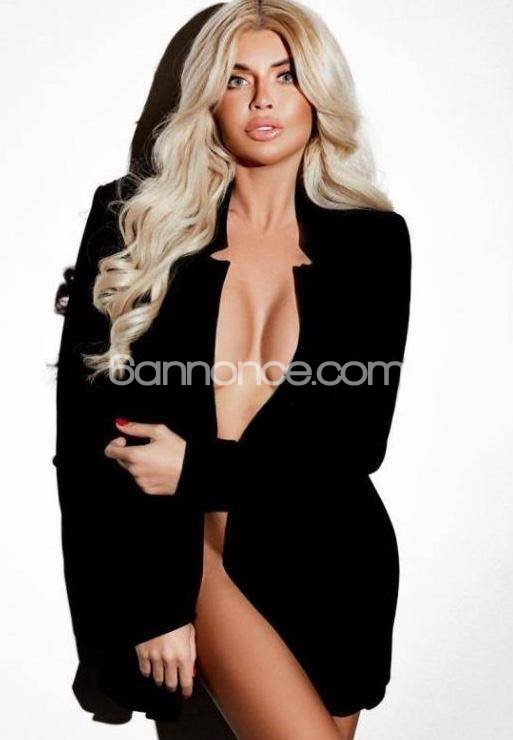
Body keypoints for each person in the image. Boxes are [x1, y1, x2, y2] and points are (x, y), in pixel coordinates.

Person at [54, 2, 412, 738]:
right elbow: (85, 439)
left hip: (334, 567)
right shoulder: (135, 224)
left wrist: (194, 468)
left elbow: (354, 443)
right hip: (194, 563)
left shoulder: (374, 243)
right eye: (236, 79)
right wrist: (144, 608)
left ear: (317, 92)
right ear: (207, 98)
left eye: (285, 76)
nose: (262, 101)